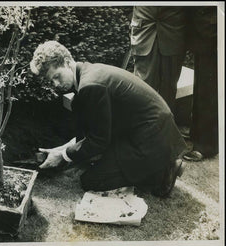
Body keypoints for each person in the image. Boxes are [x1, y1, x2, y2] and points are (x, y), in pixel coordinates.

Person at [30, 40, 188, 198]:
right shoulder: (88, 72)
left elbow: (98, 141)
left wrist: (63, 156)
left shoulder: (90, 85)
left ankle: (163, 170)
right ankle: (159, 163)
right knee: (93, 165)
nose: (56, 84)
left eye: (57, 76)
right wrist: (60, 150)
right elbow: (97, 130)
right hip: (142, 130)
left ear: (67, 62)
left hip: (151, 138)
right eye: (51, 81)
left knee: (92, 181)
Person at [130, 6, 187, 114]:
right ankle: (141, 126)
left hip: (173, 29)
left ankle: (165, 127)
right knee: (142, 86)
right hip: (144, 28)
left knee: (169, 88)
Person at [183, 6, 218, 161]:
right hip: (204, 34)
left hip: (213, 33)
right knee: (201, 86)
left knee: (209, 90)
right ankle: (197, 134)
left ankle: (206, 146)